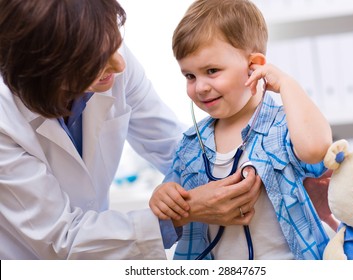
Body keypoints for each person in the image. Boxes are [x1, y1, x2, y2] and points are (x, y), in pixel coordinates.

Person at [0, 0, 262, 259]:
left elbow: (175, 147)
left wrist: (249, 169)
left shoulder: (106, 54)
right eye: (95, 62)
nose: (120, 65)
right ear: (46, 69)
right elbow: (61, 240)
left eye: (115, 43)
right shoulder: (5, 117)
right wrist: (183, 210)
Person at [149, 0, 333, 260]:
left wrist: (288, 85)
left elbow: (316, 149)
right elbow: (171, 198)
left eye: (211, 71)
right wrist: (162, 196)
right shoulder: (190, 144)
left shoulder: (283, 126)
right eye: (189, 76)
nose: (199, 87)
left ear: (254, 66)